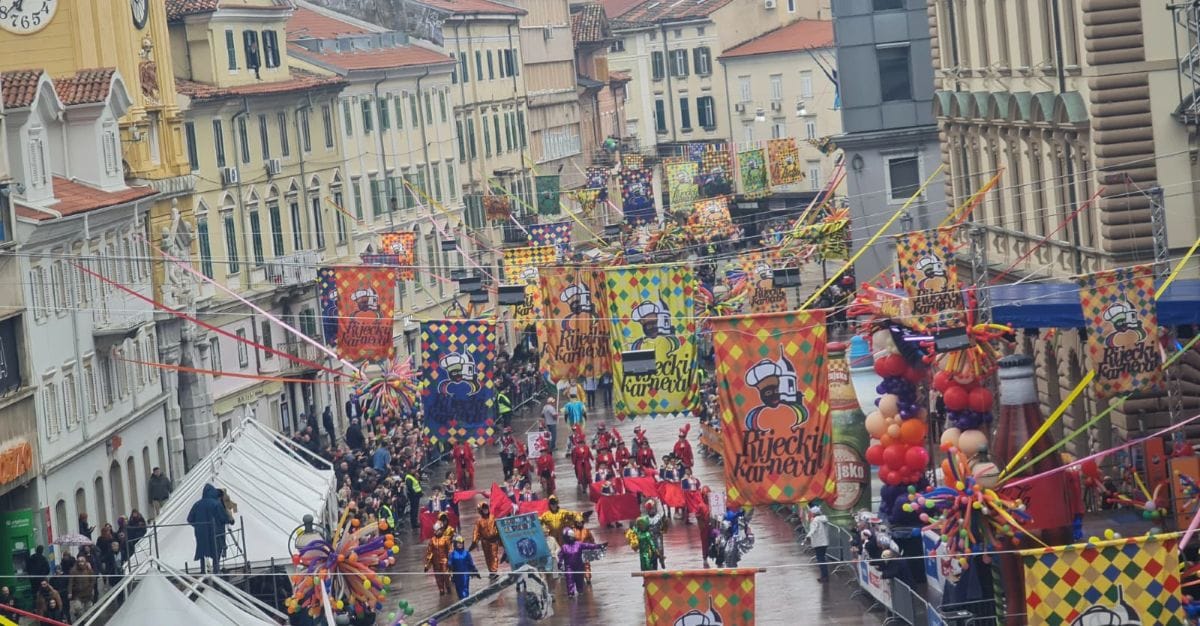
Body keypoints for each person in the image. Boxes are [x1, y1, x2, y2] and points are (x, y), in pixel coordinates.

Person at [186, 483, 233, 574]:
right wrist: (230, 520)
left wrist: (198, 526)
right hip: (216, 531)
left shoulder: (197, 504)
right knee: (216, 551)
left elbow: (189, 519)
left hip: (201, 533)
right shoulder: (216, 504)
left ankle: (203, 571)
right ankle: (216, 571)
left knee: (203, 551)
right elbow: (223, 518)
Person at [557, 529, 604, 598]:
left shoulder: (578, 544)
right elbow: (560, 556)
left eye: (572, 536)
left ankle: (580, 591)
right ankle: (571, 593)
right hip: (569, 567)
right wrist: (559, 564)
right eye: (569, 536)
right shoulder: (564, 547)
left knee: (579, 580)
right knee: (570, 580)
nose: (571, 538)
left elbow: (589, 546)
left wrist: (599, 546)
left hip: (579, 566)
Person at [469, 502, 503, 579]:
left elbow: (498, 527)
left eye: (486, 508)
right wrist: (474, 541)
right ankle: (491, 571)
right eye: (483, 509)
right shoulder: (479, 521)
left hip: (494, 540)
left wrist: (500, 537)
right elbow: (476, 532)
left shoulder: (493, 517)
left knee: (494, 555)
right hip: (485, 542)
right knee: (488, 557)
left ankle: (494, 571)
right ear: (481, 510)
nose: (485, 510)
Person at [424, 513, 455, 596]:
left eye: (439, 530)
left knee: (445, 574)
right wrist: (427, 564)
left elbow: (450, 549)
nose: (438, 531)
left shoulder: (445, 539)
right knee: (438, 576)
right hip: (435, 561)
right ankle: (441, 589)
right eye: (436, 530)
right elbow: (429, 552)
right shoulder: (432, 540)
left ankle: (448, 586)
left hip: (444, 560)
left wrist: (450, 559)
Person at [447, 535, 481, 600]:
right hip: (456, 575)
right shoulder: (452, 554)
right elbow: (450, 564)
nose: (460, 544)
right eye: (459, 543)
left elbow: (471, 564)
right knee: (459, 590)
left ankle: (466, 601)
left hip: (465, 575)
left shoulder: (466, 553)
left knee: (465, 589)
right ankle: (462, 601)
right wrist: (449, 566)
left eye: (462, 543)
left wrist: (475, 571)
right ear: (455, 544)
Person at [808, 505, 831, 582]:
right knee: (822, 558)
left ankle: (824, 576)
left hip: (818, 543)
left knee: (821, 559)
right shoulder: (823, 519)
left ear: (814, 513)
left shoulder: (815, 520)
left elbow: (813, 529)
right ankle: (824, 575)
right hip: (824, 542)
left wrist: (808, 536)